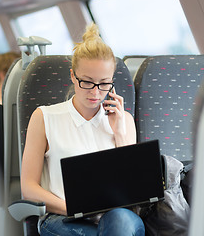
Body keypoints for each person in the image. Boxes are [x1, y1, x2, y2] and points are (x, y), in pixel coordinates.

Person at [21, 23, 145, 235]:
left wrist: (120, 133)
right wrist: (73, 208)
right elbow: (29, 188)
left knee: (120, 220)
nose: (96, 93)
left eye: (104, 83)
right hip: (63, 217)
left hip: (114, 218)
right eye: (87, 82)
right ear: (73, 76)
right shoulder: (44, 117)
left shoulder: (123, 120)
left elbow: (131, 192)